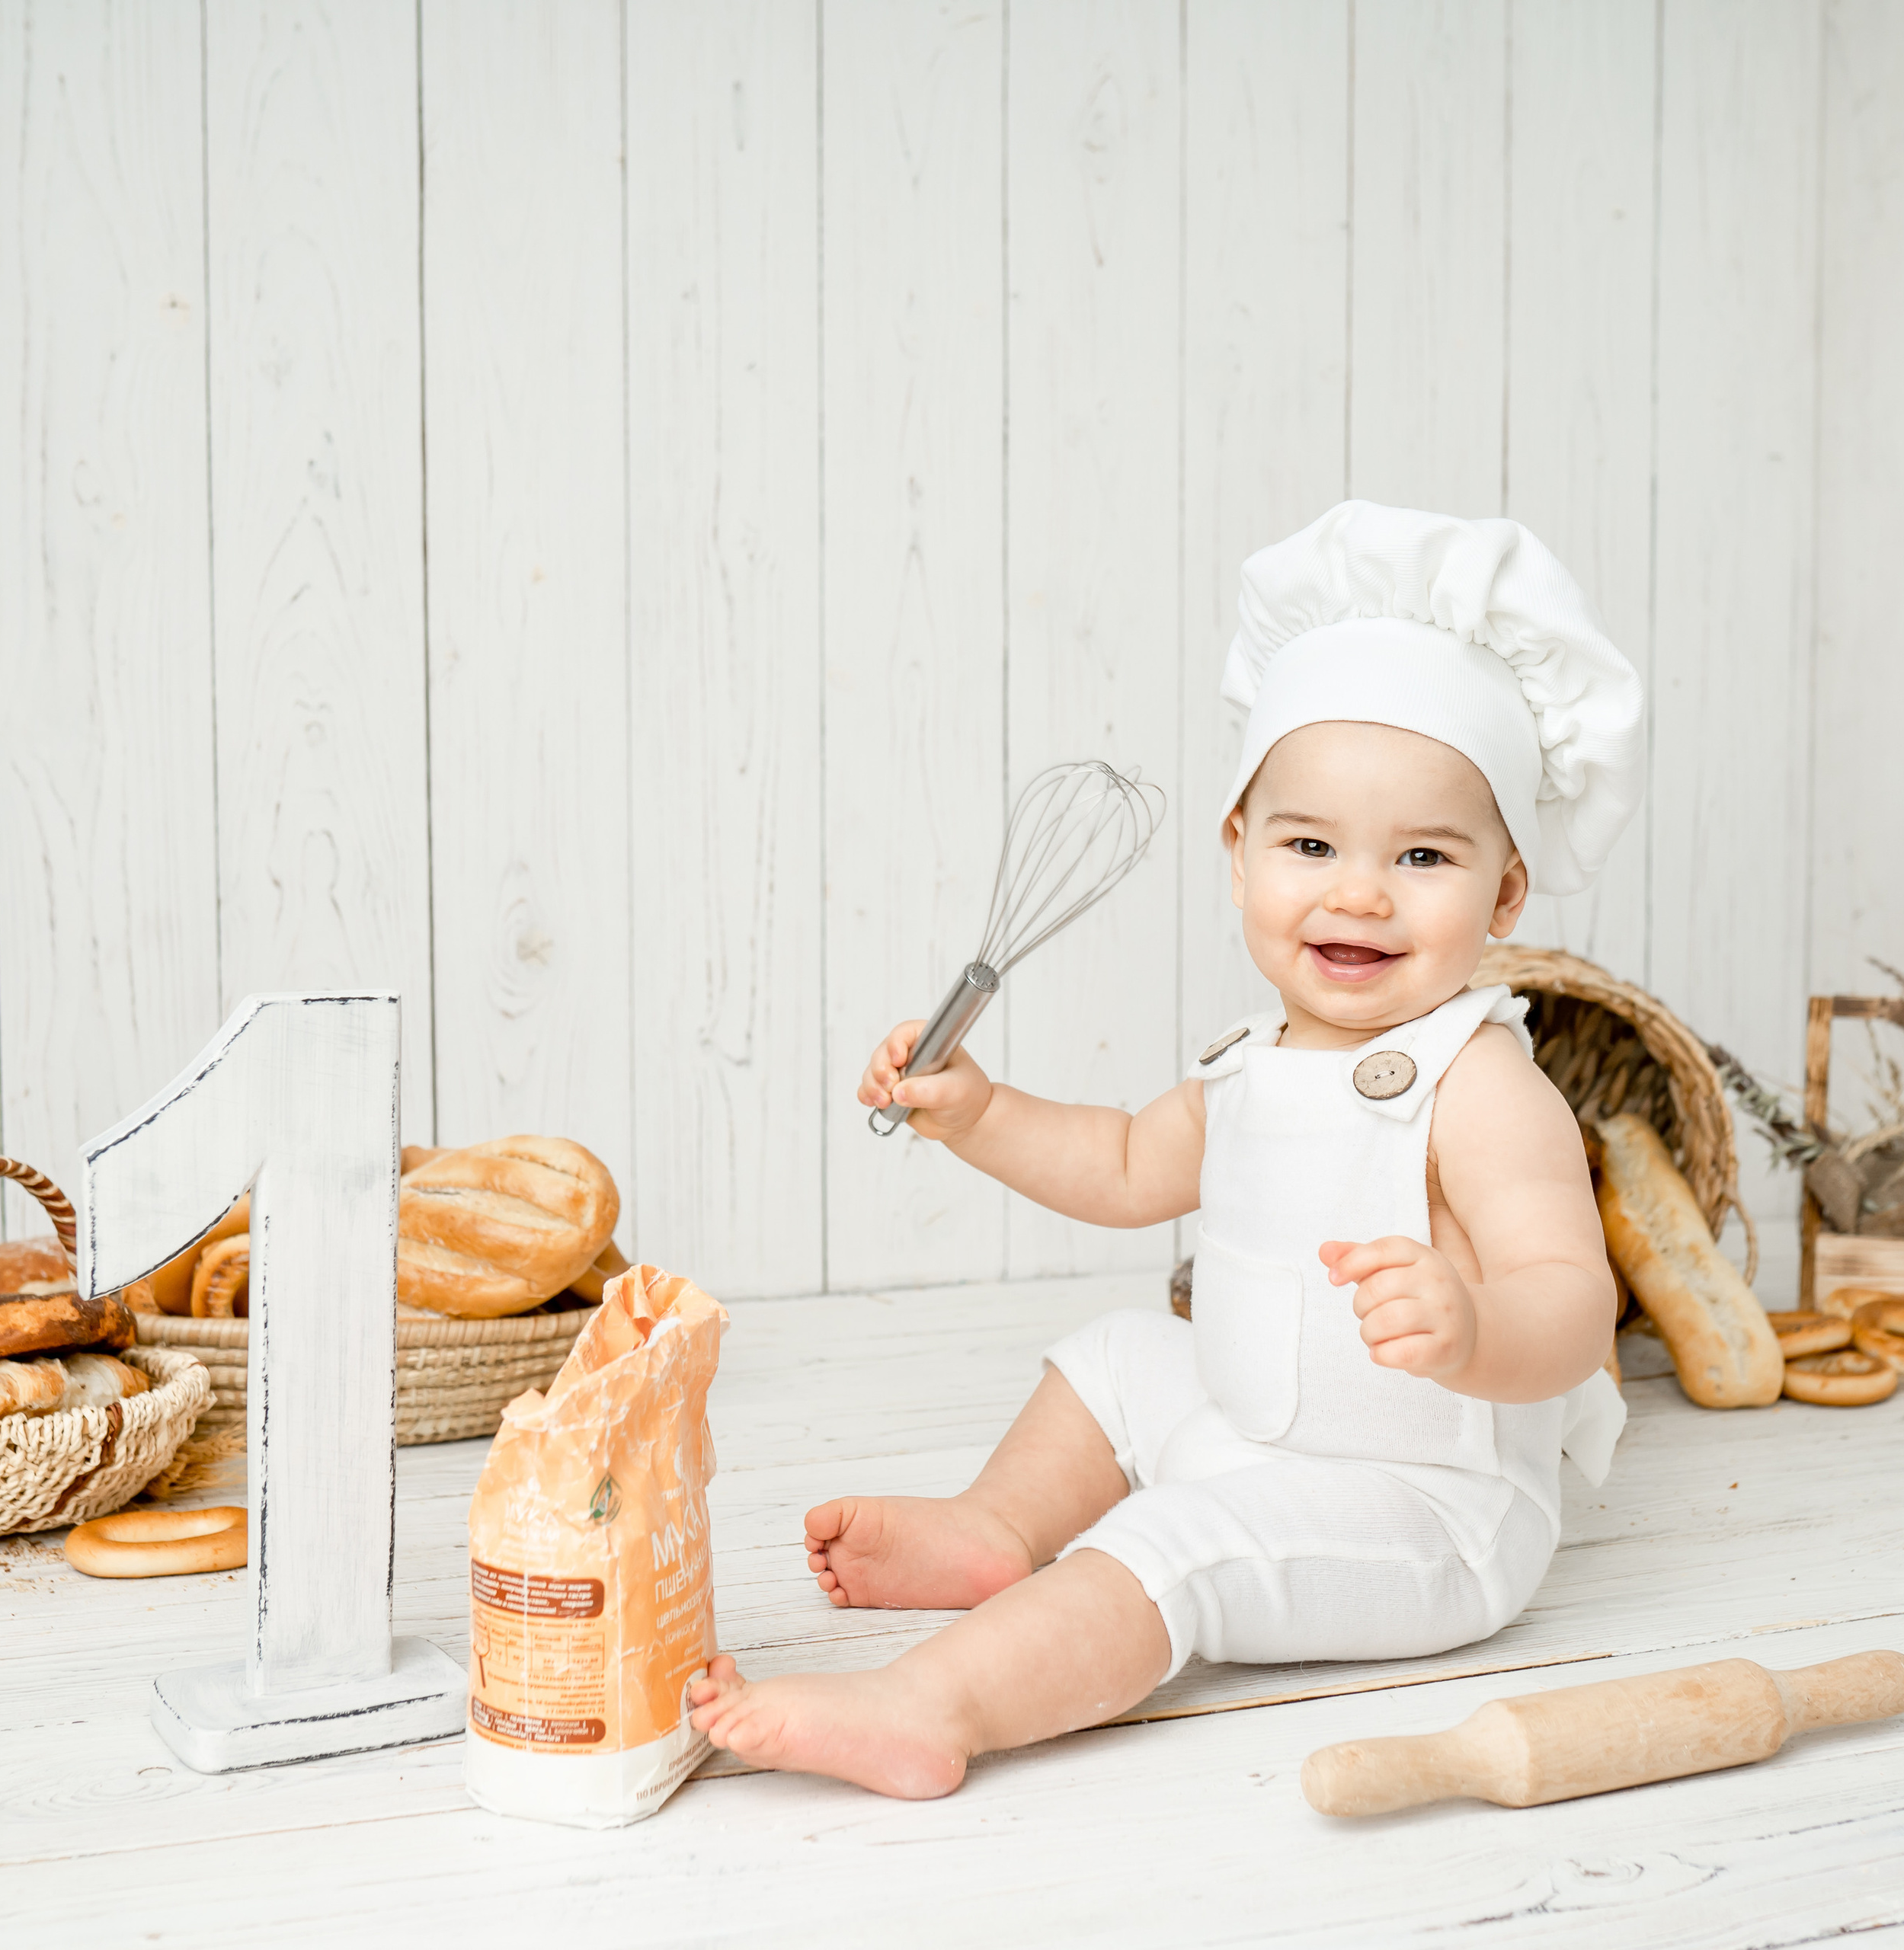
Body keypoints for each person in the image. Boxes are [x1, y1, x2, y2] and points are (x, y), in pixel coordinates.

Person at [690, 500, 1646, 1798]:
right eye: (1310, 844)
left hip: (1418, 1511)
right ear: (1239, 851)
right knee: (1120, 1356)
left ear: (1507, 892)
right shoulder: (1251, 1059)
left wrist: (1475, 1323)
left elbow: (1577, 1309)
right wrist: (978, 1110)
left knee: (1173, 1543)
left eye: (1423, 855)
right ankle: (995, 1527)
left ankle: (935, 1706)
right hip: (1263, 1438)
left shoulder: (1480, 1083)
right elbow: (1129, 1166)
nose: (1359, 890)